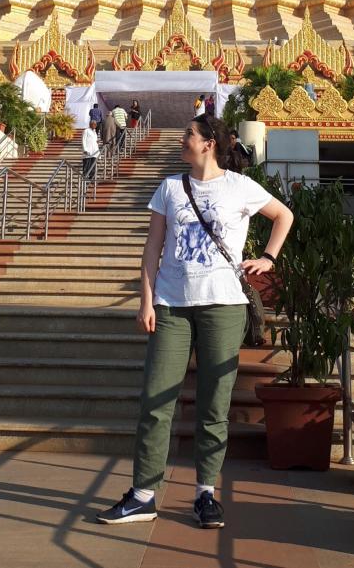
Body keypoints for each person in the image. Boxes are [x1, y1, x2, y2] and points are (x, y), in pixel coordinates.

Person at [97, 115, 293, 529]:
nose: (182, 139)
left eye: (189, 133)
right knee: (156, 400)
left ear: (208, 144)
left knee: (214, 403)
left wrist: (268, 259)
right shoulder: (169, 188)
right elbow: (153, 248)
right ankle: (144, 494)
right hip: (170, 304)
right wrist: (146, 301)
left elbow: (283, 216)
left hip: (223, 305)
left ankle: (206, 493)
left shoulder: (239, 187)